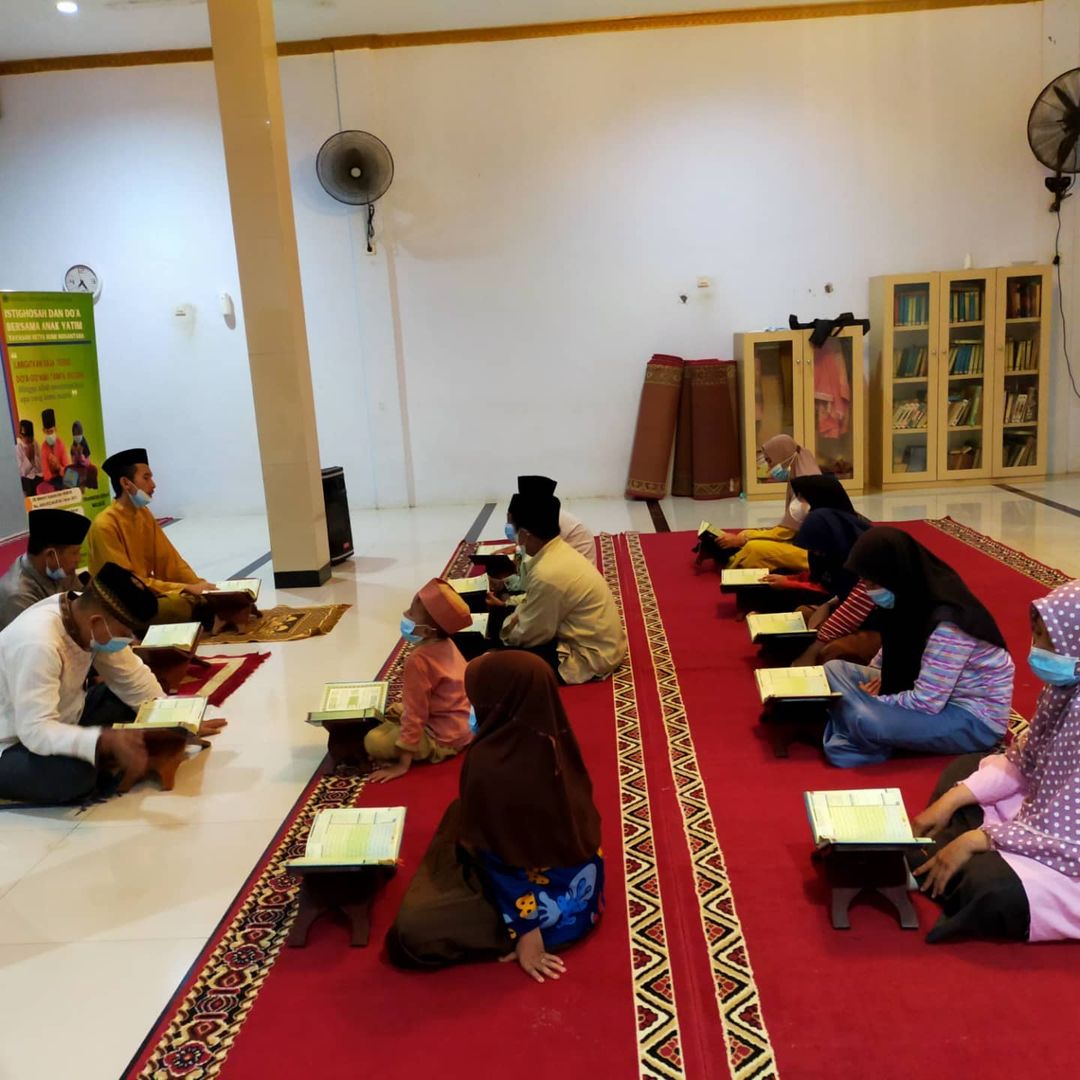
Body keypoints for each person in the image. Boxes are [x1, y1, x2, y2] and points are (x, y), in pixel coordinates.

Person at [386, 651, 604, 980]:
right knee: (460, 811)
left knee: (410, 936)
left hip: (548, 906)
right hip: (578, 874)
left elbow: (506, 863)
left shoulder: (492, 767)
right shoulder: (550, 731)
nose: (471, 708)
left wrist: (527, 933)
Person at [910, 581, 1080, 943]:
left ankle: (949, 856)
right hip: (1042, 818)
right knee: (966, 770)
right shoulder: (1065, 688)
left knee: (992, 888)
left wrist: (980, 838)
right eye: (1036, 634)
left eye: (1048, 639)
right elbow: (1024, 759)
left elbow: (1072, 836)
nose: (1037, 648)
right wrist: (950, 801)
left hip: (1070, 857)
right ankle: (948, 856)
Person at [0, 561, 213, 805]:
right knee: (77, 776)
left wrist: (177, 723)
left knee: (135, 705)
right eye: (125, 632)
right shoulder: (38, 643)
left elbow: (131, 678)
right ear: (97, 622)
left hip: (63, 715)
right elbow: (35, 731)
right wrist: (103, 740)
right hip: (11, 740)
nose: (130, 640)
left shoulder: (83, 615)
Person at [822, 526, 1014, 767]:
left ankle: (854, 727)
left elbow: (927, 702)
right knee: (833, 669)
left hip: (969, 717)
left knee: (865, 719)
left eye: (872, 584)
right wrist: (881, 675)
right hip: (921, 688)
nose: (869, 592)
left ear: (894, 574)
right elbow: (894, 646)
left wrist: (878, 701)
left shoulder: (949, 625)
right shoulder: (909, 597)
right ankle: (853, 726)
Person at [498, 492, 625, 684]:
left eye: (510, 525)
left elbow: (528, 635)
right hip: (605, 644)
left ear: (524, 534)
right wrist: (509, 605)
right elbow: (533, 596)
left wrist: (502, 625)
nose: (509, 531)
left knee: (497, 660)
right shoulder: (557, 550)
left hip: (588, 657)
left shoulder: (547, 573)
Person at [88, 448, 216, 624]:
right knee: (180, 605)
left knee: (197, 599)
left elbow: (170, 561)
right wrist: (184, 588)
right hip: (120, 603)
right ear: (126, 483)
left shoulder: (143, 514)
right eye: (146, 478)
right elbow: (125, 585)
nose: (153, 484)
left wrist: (200, 587)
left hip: (145, 595)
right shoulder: (105, 524)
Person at [365, 578, 475, 782]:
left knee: (374, 741)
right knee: (396, 710)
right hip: (460, 726)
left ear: (426, 631)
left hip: (442, 739)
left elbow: (416, 714)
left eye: (411, 613)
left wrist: (402, 765)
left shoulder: (418, 660)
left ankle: (424, 749)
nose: (405, 615)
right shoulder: (446, 642)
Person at [778, 490, 880, 667]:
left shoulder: (870, 561)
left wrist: (813, 649)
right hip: (855, 615)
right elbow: (842, 592)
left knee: (833, 650)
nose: (817, 554)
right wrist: (828, 605)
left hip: (882, 626)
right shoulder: (835, 553)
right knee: (803, 614)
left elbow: (855, 608)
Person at [719, 434, 821, 571]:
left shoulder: (805, 487)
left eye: (769, 461)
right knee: (749, 538)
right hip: (805, 543)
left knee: (753, 549)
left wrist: (743, 538)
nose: (768, 468)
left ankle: (731, 560)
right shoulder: (804, 473)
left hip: (815, 556)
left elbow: (783, 534)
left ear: (783, 456)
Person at [0, 509, 91, 630]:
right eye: (74, 553)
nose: (78, 559)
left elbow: (82, 606)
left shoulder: (61, 570)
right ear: (51, 555)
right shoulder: (17, 595)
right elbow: (38, 636)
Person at [516, 475, 596, 565]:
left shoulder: (548, 518)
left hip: (578, 564)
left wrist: (518, 551)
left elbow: (537, 548)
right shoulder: (545, 513)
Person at [39, 408, 70, 491]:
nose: (49, 434)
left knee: (73, 479)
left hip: (62, 474)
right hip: (52, 479)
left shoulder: (61, 444)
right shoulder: (43, 448)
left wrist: (58, 466)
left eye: (51, 431)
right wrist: (52, 475)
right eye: (47, 432)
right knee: (45, 488)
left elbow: (66, 466)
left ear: (55, 429)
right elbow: (46, 472)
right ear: (43, 431)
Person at [15, 419, 43, 498]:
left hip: (39, 476)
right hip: (27, 480)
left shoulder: (35, 444)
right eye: (27, 439)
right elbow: (22, 473)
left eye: (31, 438)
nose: (30, 441)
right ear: (21, 437)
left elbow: (41, 468)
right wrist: (28, 459)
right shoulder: (17, 449)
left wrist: (34, 457)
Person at [68, 420, 98, 490]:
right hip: (77, 466)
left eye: (78, 433)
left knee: (93, 469)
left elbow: (87, 462)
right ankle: (71, 492)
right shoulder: (73, 446)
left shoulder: (84, 444)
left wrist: (81, 455)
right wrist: (75, 454)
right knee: (68, 470)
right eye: (75, 434)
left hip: (85, 466)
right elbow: (73, 462)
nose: (77, 436)